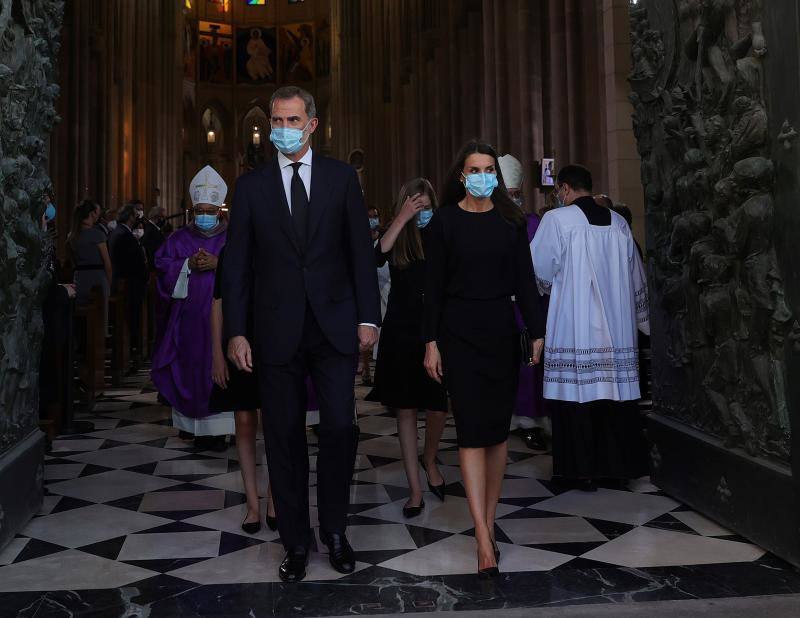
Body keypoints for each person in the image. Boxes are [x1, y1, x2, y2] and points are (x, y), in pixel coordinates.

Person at [224, 86, 381, 582]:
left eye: (293, 120)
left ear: (313, 124)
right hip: (274, 330)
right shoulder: (250, 188)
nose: (283, 128)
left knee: (338, 427)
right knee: (284, 438)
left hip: (333, 326)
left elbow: (360, 252)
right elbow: (238, 268)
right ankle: (295, 541)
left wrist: (369, 318)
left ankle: (335, 531)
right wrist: (236, 332)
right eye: (277, 120)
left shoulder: (340, 180)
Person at [423, 140, 545, 578]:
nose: (482, 176)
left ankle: (489, 522)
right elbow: (432, 289)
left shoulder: (511, 222)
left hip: (500, 332)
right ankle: (480, 535)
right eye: (474, 168)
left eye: (488, 169)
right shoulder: (443, 222)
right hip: (458, 334)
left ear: (496, 175)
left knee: (496, 436)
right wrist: (431, 342)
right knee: (472, 432)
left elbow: (525, 281)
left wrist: (538, 331)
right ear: (461, 174)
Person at [531, 165, 650, 492]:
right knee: (613, 399)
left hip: (575, 328)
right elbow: (636, 276)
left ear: (565, 189)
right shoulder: (619, 223)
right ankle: (616, 470)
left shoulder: (556, 221)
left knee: (577, 399)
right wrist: (643, 321)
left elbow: (539, 270)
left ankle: (579, 472)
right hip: (617, 332)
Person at [370, 178, 448, 518]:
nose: (423, 212)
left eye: (427, 205)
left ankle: (429, 457)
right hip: (401, 330)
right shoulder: (398, 235)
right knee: (405, 409)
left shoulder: (442, 231)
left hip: (436, 329)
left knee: (437, 405)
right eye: (416, 205)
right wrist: (402, 218)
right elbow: (376, 256)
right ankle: (415, 489)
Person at [151, 166, 232, 451]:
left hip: (223, 322)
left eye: (210, 210)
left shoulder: (232, 238)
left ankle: (223, 429)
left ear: (219, 210)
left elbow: (252, 270)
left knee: (220, 369)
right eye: (200, 210)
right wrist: (187, 265)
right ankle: (192, 427)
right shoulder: (178, 239)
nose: (204, 216)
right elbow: (161, 268)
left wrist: (218, 264)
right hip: (187, 324)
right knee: (190, 369)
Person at [499, 154, 550, 451]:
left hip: (529, 306)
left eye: (517, 194)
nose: (513, 199)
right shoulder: (488, 221)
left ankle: (532, 420)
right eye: (509, 194)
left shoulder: (535, 224)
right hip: (501, 305)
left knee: (530, 364)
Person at [109, 203, 149, 361]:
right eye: (134, 215)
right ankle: (131, 353)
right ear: (130, 217)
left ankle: (130, 352)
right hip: (130, 284)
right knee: (131, 319)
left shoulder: (118, 232)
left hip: (125, 282)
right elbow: (134, 262)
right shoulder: (124, 235)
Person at [69, 199, 112, 312]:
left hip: (80, 281)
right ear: (92, 213)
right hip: (97, 281)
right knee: (100, 318)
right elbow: (107, 263)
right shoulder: (97, 234)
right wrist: (109, 285)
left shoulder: (72, 236)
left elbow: (73, 262)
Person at [359, 206, 383, 385]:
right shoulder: (359, 237)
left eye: (375, 216)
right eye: (369, 217)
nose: (373, 220)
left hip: (385, 292)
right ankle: (365, 367)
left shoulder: (382, 236)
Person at [141, 205, 167, 269]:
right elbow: (154, 252)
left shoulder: (153, 228)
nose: (164, 220)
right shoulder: (151, 230)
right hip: (155, 267)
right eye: (162, 217)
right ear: (155, 217)